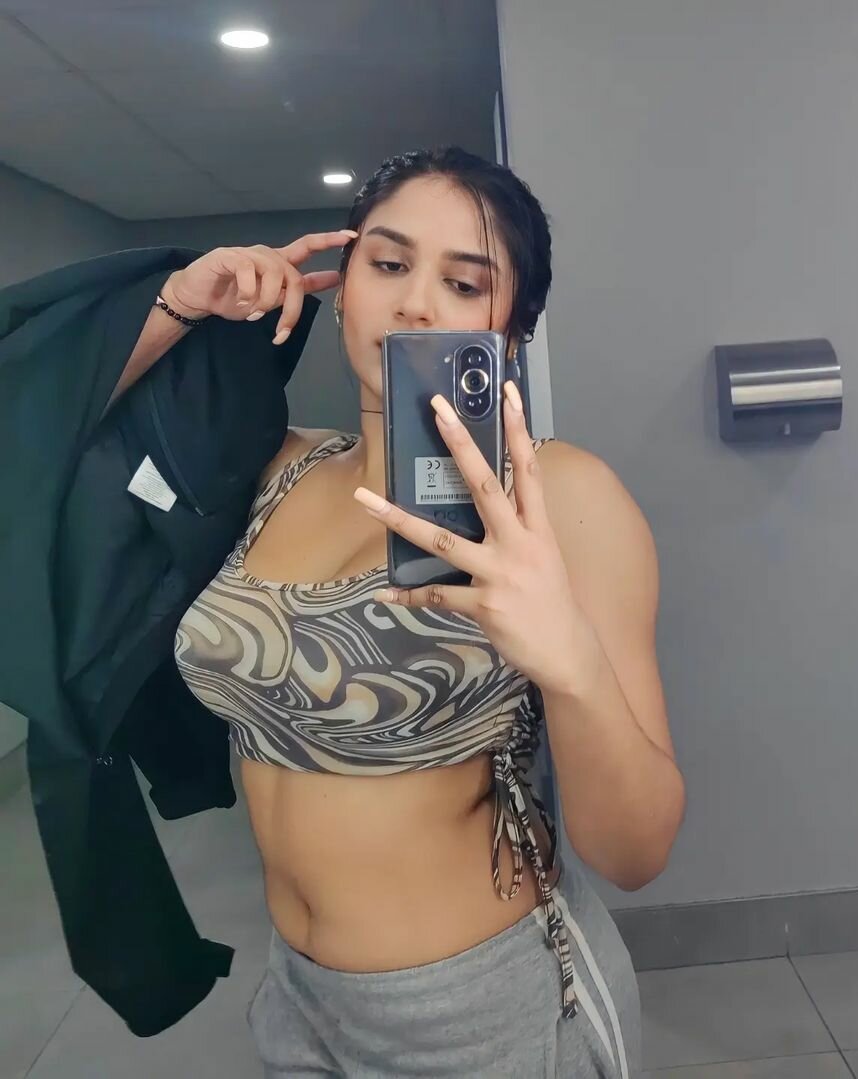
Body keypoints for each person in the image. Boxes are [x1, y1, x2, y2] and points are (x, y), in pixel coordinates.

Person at [118, 147, 685, 1077]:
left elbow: (637, 852)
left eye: (464, 283)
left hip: (481, 1009)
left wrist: (571, 662)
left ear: (512, 331)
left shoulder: (561, 496)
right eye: (387, 264)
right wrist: (178, 306)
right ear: (343, 291)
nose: (416, 303)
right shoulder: (272, 465)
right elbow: (50, 446)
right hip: (295, 997)